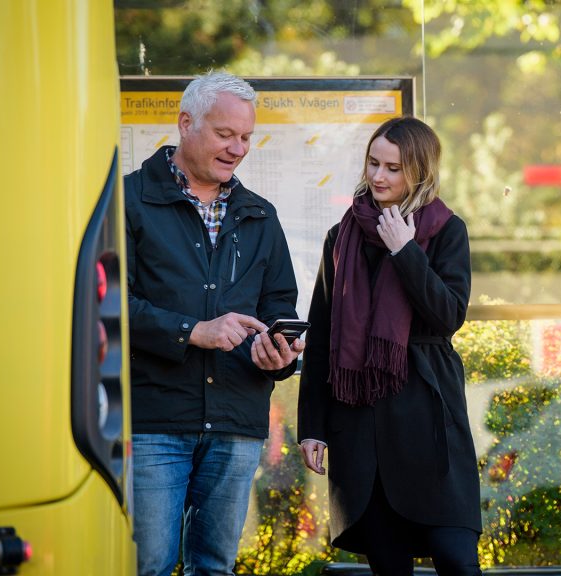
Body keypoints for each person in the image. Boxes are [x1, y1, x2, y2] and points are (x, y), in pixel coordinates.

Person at [125, 71, 305, 576]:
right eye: (226, 134)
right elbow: (110, 304)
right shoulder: (129, 201)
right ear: (186, 123)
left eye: (246, 137)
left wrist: (278, 354)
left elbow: (279, 309)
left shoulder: (261, 216)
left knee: (215, 568)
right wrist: (192, 332)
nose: (238, 148)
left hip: (235, 422)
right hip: (154, 422)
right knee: (151, 567)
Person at [297, 117, 482, 575]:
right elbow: (322, 335)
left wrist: (406, 252)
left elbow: (448, 315)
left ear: (418, 171)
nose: (378, 176)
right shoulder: (342, 238)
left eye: (393, 168)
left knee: (457, 560)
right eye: (374, 163)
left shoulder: (445, 230)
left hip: (427, 420)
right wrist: (312, 426)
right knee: (387, 565)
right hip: (360, 426)